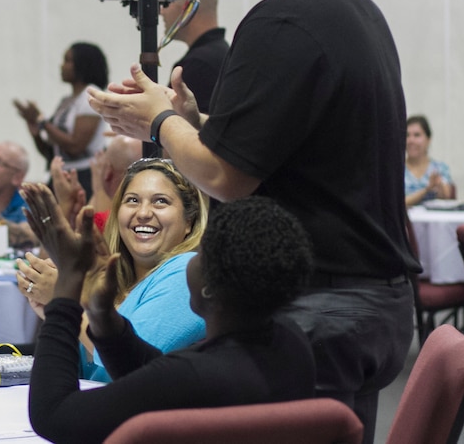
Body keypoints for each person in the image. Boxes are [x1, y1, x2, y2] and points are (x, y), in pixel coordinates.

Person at [87, 0, 417, 444]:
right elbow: (294, 144)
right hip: (372, 298)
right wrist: (199, 118)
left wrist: (161, 120)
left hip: (323, 302)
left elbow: (226, 176)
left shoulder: (283, 19)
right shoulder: (356, 10)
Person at [22, 187, 316, 444]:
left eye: (199, 255)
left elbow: (54, 416)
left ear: (209, 289)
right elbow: (152, 371)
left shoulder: (196, 376)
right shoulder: (291, 343)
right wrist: (101, 314)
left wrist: (66, 291)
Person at [18, 157, 208, 382]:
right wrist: (57, 315)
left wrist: (63, 301)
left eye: (160, 202)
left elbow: (130, 362)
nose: (143, 212)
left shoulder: (187, 273)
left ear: (189, 221)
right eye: (133, 200)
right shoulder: (111, 278)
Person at [13, 42, 108, 198]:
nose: (62, 66)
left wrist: (42, 121)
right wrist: (36, 132)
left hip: (84, 177)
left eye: (67, 60)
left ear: (82, 64)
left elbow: (76, 146)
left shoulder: (90, 95)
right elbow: (52, 154)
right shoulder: (66, 101)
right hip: (61, 174)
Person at [161, 0, 229, 112]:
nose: (161, 11)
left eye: (167, 2)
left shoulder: (198, 65)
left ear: (189, 5)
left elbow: (173, 128)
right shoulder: (221, 54)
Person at [405, 114, 454, 206]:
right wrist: (427, 190)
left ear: (428, 139)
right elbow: (397, 203)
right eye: (407, 135)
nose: (411, 140)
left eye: (417, 135)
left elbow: (447, 196)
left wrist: (439, 187)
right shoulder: (395, 170)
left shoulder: (440, 168)